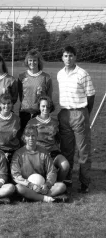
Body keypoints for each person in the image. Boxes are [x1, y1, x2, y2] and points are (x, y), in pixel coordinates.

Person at [57, 46, 95, 193]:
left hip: (79, 112)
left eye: (71, 56)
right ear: (62, 57)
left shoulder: (82, 73)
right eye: (66, 56)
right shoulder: (60, 74)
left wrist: (85, 113)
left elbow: (91, 95)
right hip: (64, 114)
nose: (68, 58)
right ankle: (67, 180)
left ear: (75, 57)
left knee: (83, 151)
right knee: (66, 149)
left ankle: (84, 183)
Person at [11, 126, 68, 203]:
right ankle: (45, 198)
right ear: (24, 137)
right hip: (27, 186)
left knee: (62, 186)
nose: (31, 138)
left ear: (37, 136)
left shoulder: (44, 152)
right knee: (18, 187)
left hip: (42, 186)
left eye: (33, 135)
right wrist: (30, 185)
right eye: (28, 136)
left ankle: (32, 197)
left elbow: (52, 171)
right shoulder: (18, 154)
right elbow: (15, 176)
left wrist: (47, 185)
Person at [27, 96, 70, 182]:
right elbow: (26, 140)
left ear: (50, 107)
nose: (45, 108)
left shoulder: (55, 122)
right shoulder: (32, 122)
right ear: (39, 107)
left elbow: (58, 138)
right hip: (38, 154)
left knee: (65, 165)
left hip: (53, 153)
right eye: (43, 106)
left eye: (47, 106)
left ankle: (57, 183)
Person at [18, 49, 53, 132]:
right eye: (30, 60)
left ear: (38, 61)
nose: (32, 63)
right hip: (24, 112)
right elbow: (20, 95)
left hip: (40, 112)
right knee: (25, 137)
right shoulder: (22, 76)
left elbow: (49, 97)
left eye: (34, 60)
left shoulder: (46, 77)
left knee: (39, 138)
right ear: (27, 61)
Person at [0, 93, 21, 164]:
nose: (6, 106)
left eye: (9, 103)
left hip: (13, 151)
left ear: (12, 104)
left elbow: (19, 136)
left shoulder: (17, 119)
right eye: (4, 103)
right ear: (0, 104)